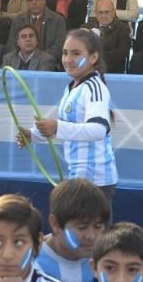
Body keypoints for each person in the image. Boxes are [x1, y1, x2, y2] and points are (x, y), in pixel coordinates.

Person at [17, 29, 117, 204]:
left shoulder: (94, 88)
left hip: (95, 180)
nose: (68, 59)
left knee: (83, 230)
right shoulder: (72, 87)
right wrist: (34, 135)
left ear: (93, 58)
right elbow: (67, 124)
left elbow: (98, 129)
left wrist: (56, 127)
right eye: (65, 53)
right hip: (79, 176)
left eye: (76, 54)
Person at [33, 178, 110, 282]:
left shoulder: (108, 261)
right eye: (82, 227)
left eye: (98, 227)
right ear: (55, 223)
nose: (91, 236)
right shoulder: (33, 264)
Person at [6, 0, 67, 65]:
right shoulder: (18, 20)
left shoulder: (58, 20)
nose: (34, 3)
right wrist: (21, 59)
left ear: (44, 1)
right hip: (21, 64)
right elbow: (11, 44)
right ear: (27, 3)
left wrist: (39, 59)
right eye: (30, 0)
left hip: (48, 64)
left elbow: (59, 47)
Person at [82, 0, 131, 73]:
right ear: (95, 13)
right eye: (100, 12)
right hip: (86, 72)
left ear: (113, 12)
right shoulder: (86, 27)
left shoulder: (123, 29)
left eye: (107, 12)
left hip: (112, 73)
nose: (103, 15)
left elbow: (120, 55)